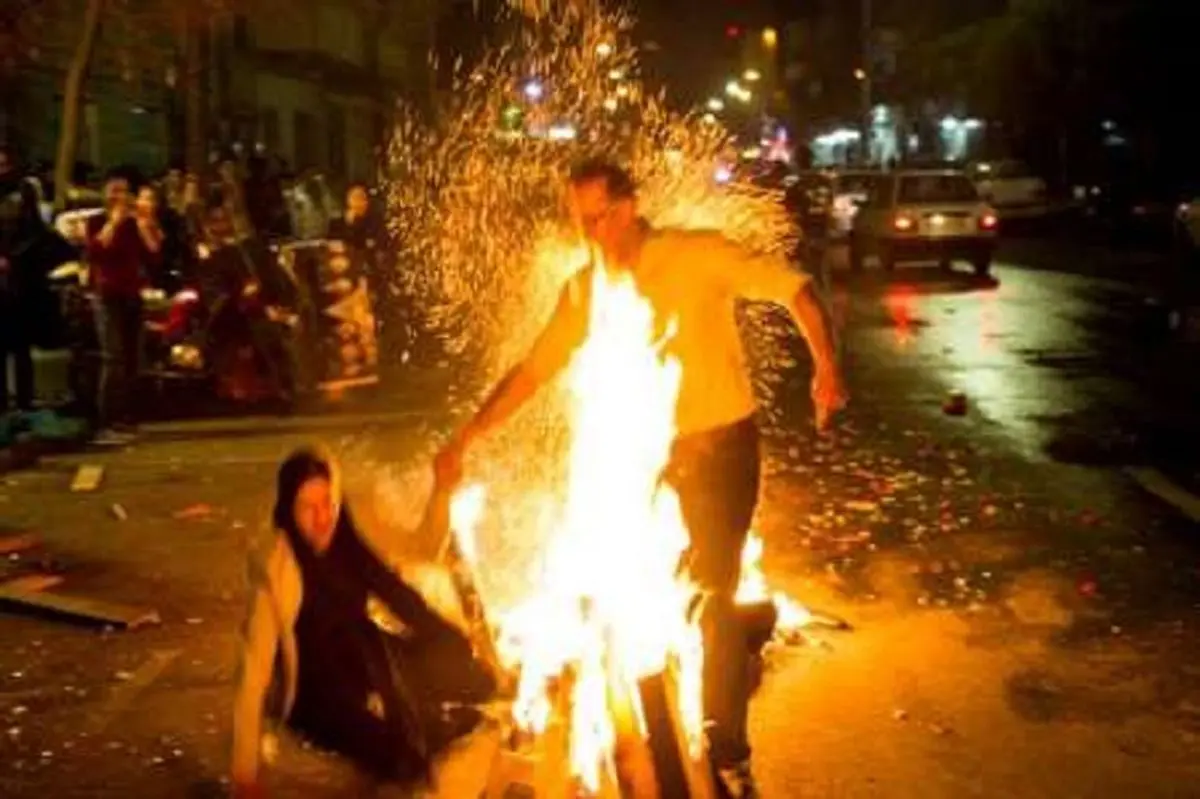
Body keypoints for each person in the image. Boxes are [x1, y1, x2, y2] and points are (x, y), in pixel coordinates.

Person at [434, 158, 847, 797]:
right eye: (580, 222)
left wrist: (826, 368)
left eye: (599, 218)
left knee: (714, 591)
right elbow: (534, 369)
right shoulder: (586, 289)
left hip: (719, 449)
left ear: (628, 207)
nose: (591, 233)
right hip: (647, 458)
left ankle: (726, 743)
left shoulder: (696, 255)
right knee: (621, 576)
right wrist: (469, 434)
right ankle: (631, 718)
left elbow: (795, 289)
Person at [231, 447, 495, 798]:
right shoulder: (278, 566)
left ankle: (424, 719)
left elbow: (419, 556)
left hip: (365, 661)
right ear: (289, 511)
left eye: (327, 502)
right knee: (404, 760)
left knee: (472, 677)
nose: (323, 517)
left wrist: (442, 490)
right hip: (319, 697)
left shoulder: (349, 531)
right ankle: (423, 727)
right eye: (308, 507)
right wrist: (244, 774)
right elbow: (254, 672)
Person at [85, 169, 162, 443]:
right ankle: (105, 421)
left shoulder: (134, 224)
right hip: (107, 295)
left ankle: (127, 418)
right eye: (114, 191)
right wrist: (114, 223)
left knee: (132, 359)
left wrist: (144, 223)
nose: (120, 197)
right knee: (113, 357)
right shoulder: (96, 221)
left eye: (124, 191)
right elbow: (96, 252)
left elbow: (153, 251)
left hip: (132, 294)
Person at [0, 145, 44, 413]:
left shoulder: (23, 191)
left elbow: (34, 231)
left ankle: (25, 403)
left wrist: (13, 258)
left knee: (21, 345)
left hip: (20, 279)